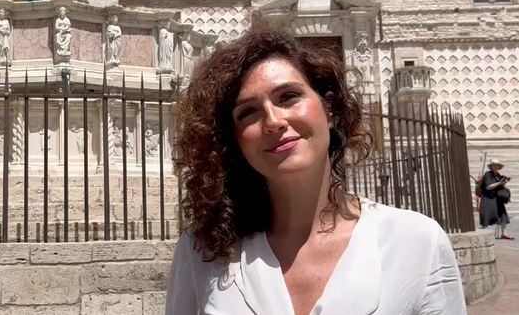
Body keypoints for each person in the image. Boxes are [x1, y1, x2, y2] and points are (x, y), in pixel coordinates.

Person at [166, 28, 466, 315]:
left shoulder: (416, 241)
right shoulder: (202, 252)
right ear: (235, 142)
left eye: (288, 96)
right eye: (248, 112)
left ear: (330, 110)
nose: (273, 121)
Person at [479, 159, 513, 240]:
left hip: (496, 198)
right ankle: (481, 234)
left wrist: (504, 182)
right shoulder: (488, 174)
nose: (495, 166)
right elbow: (488, 187)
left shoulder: (498, 175)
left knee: (503, 214)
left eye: (497, 165)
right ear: (491, 166)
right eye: (494, 165)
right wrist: (499, 183)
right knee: (487, 215)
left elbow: (499, 186)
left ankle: (504, 233)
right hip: (488, 198)